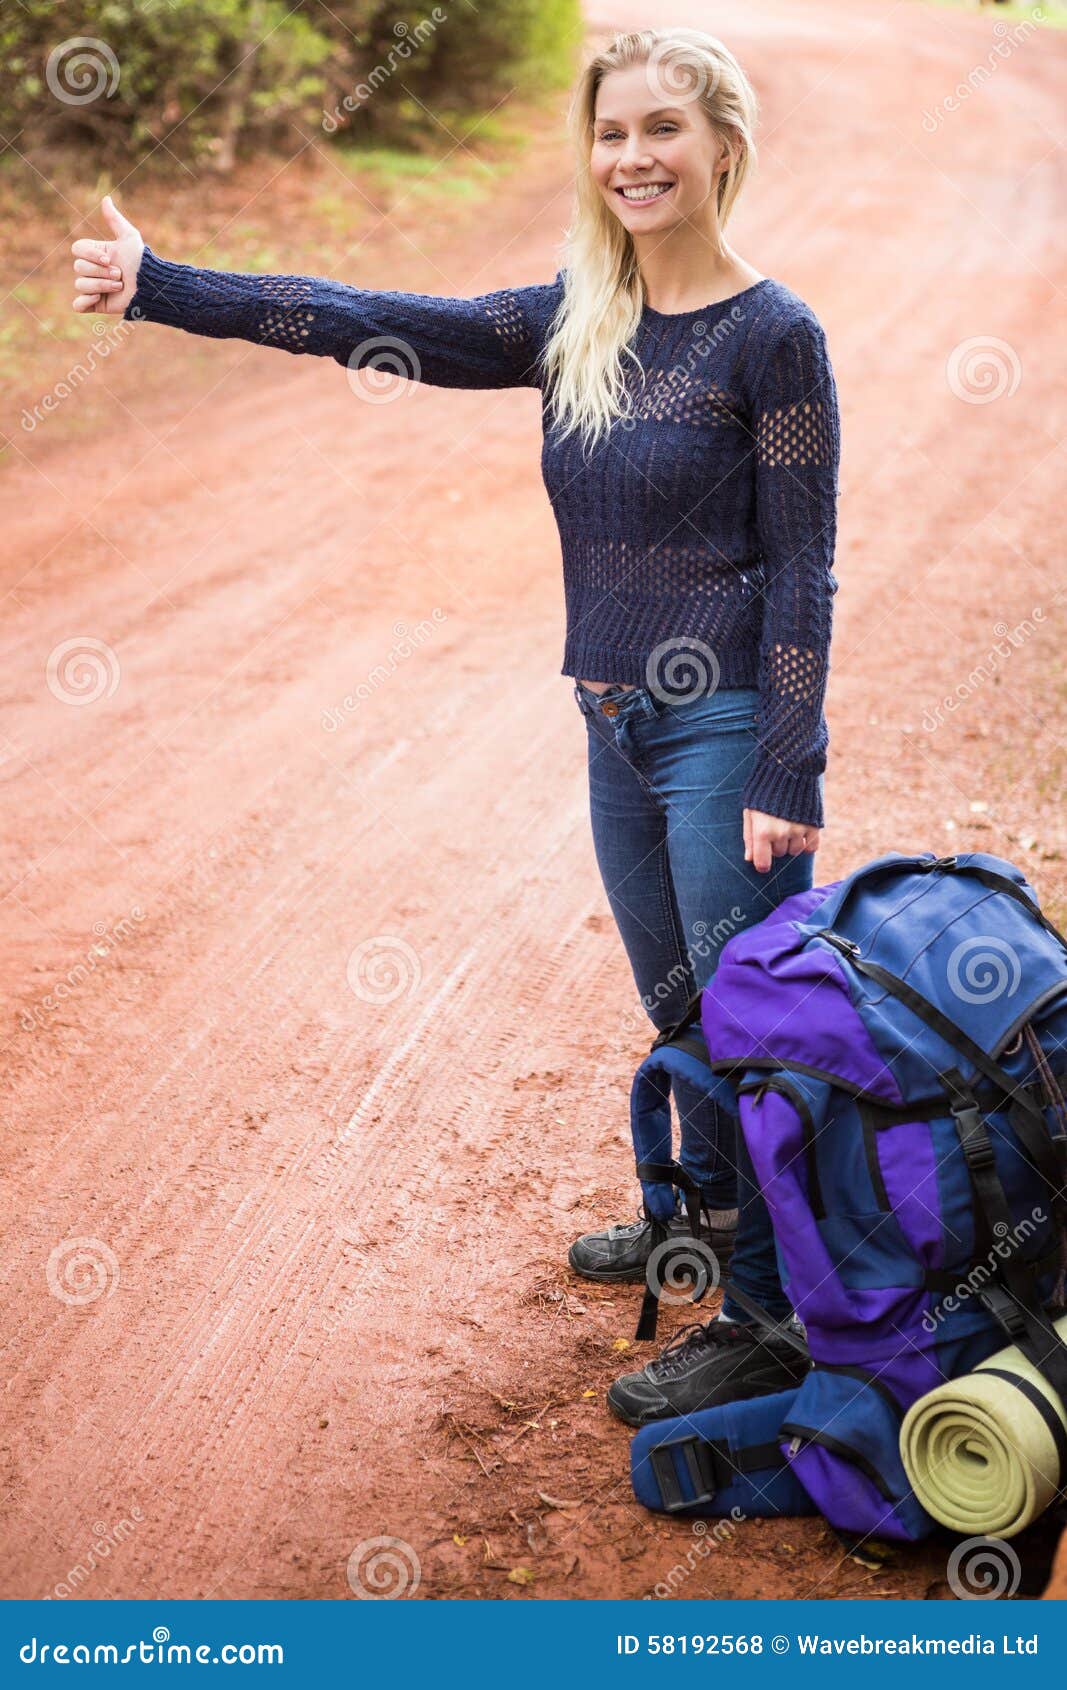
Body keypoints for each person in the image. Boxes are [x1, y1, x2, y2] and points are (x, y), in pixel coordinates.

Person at [70, 26, 839, 1427]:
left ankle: (776, 1323)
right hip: (612, 720)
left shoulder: (775, 337)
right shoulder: (576, 321)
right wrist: (159, 286)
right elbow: (375, 318)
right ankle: (714, 1231)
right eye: (611, 134)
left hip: (725, 724)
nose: (632, 158)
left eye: (663, 130)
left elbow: (802, 563)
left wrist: (790, 758)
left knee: (747, 1024)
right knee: (678, 1003)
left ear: (724, 145)